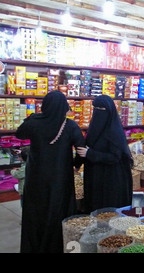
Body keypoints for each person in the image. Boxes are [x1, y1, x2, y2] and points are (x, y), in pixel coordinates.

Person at [15, 91, 85, 253]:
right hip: (60, 178)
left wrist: (33, 116)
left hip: (36, 178)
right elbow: (81, 148)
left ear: (44, 105)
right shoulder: (70, 126)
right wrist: (75, 165)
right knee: (58, 210)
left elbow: (19, 133)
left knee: (36, 212)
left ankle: (35, 247)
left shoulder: (34, 123)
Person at [76, 95, 133, 213]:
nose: (98, 113)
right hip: (95, 175)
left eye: (101, 110)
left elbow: (114, 157)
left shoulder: (114, 132)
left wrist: (90, 154)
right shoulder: (94, 128)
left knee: (107, 210)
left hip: (111, 177)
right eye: (95, 109)